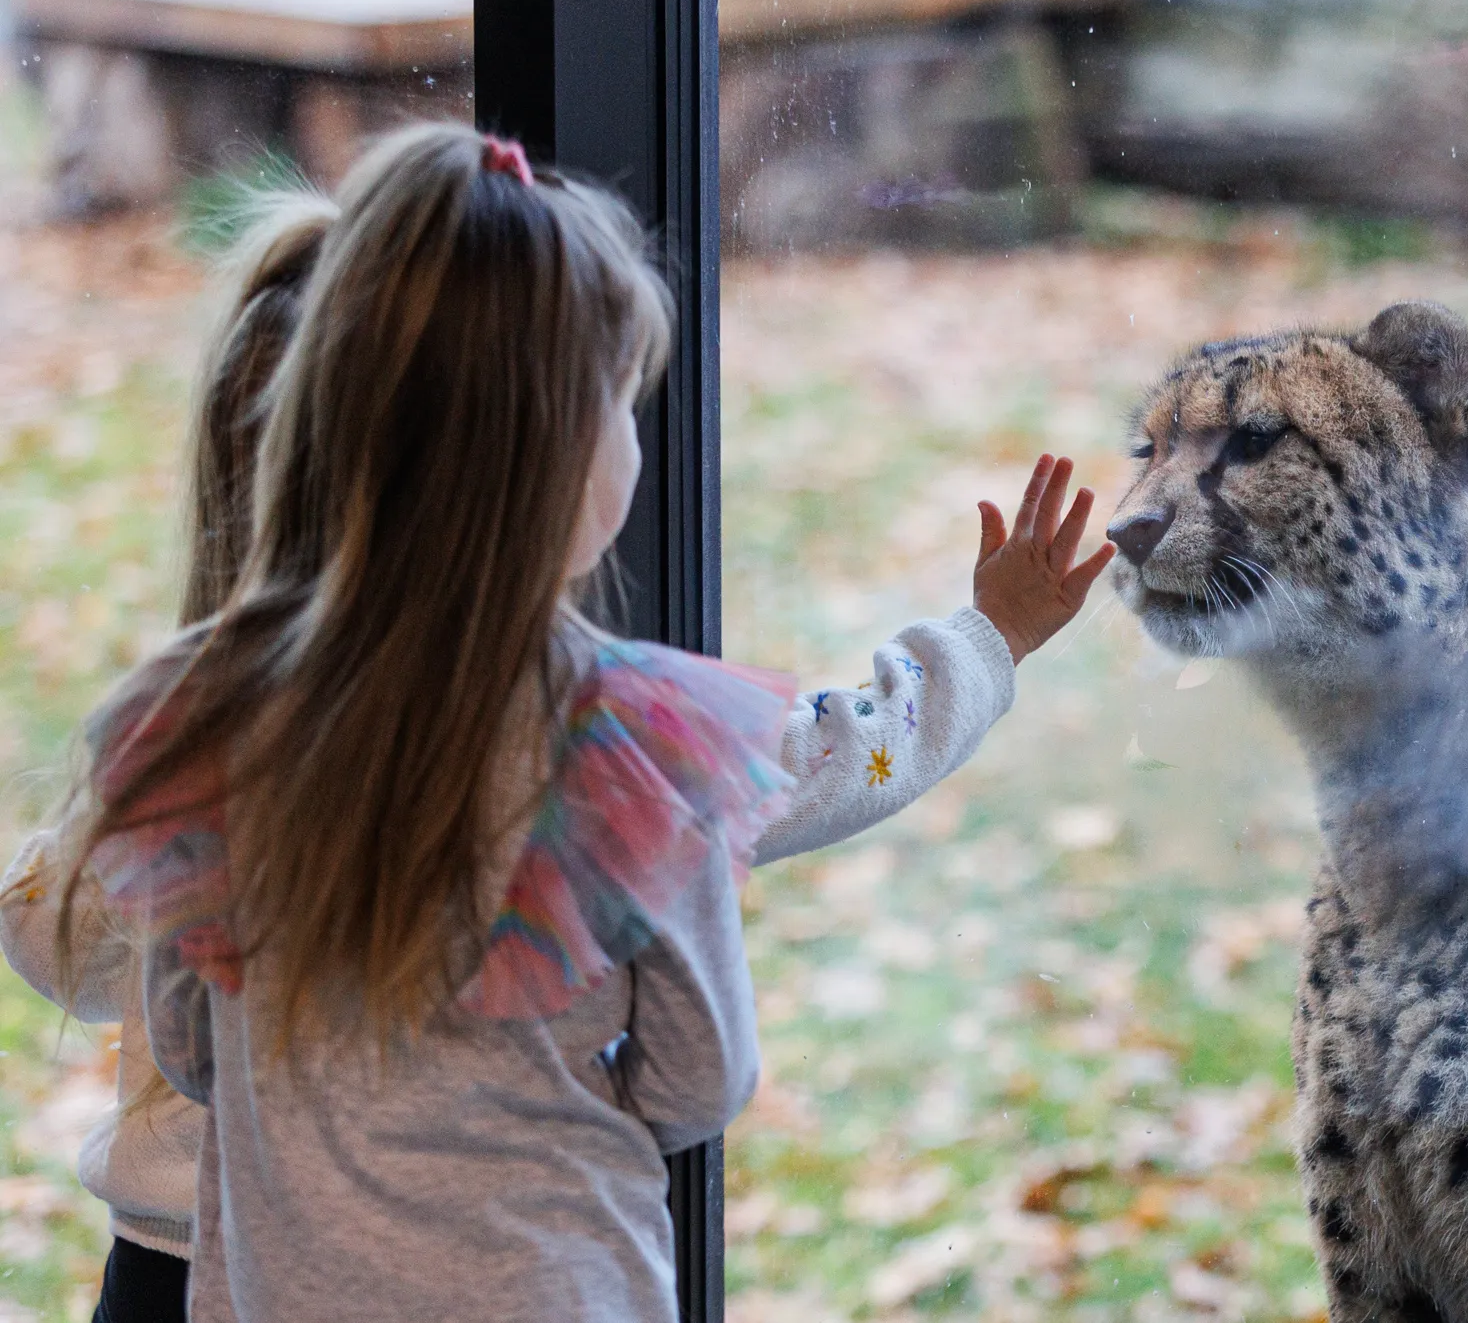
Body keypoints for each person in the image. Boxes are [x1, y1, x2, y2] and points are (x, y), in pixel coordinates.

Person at [13, 122, 1112, 1323]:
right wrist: (986, 640)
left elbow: (181, 1038)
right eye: (622, 402)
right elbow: (702, 1073)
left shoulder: (203, 724)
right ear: (556, 462)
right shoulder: (640, 743)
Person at [0, 185, 338, 1323]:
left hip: (162, 1264)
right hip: (347, 1260)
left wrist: (46, 866)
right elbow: (749, 774)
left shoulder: (178, 726)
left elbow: (64, 957)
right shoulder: (485, 739)